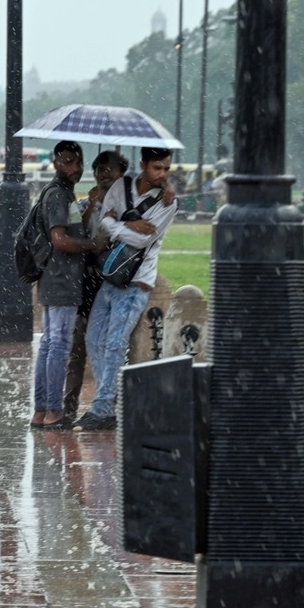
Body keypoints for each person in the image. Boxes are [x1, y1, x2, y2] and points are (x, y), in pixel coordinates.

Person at [74, 146, 178, 431]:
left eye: (166, 169)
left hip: (137, 279)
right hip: (111, 276)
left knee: (116, 342)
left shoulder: (168, 202)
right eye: (157, 168)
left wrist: (117, 222)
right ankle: (111, 397)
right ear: (143, 165)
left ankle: (104, 407)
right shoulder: (121, 186)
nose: (163, 174)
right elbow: (106, 223)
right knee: (94, 338)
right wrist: (127, 223)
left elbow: (143, 241)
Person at [31, 142, 102, 429]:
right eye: (68, 162)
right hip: (62, 280)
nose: (75, 168)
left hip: (54, 278)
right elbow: (60, 239)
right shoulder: (59, 195)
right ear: (56, 163)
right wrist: (92, 244)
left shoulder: (62, 194)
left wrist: (92, 205)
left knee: (49, 344)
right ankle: (54, 412)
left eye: (78, 162)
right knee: (58, 345)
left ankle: (41, 411)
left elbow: (71, 228)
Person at [62, 151, 127, 419]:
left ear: (121, 173)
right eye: (99, 169)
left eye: (109, 169)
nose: (103, 173)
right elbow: (74, 235)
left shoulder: (127, 207)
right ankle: (68, 407)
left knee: (114, 348)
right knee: (77, 349)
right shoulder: (82, 204)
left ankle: (110, 406)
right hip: (86, 284)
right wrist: (92, 206)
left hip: (116, 283)